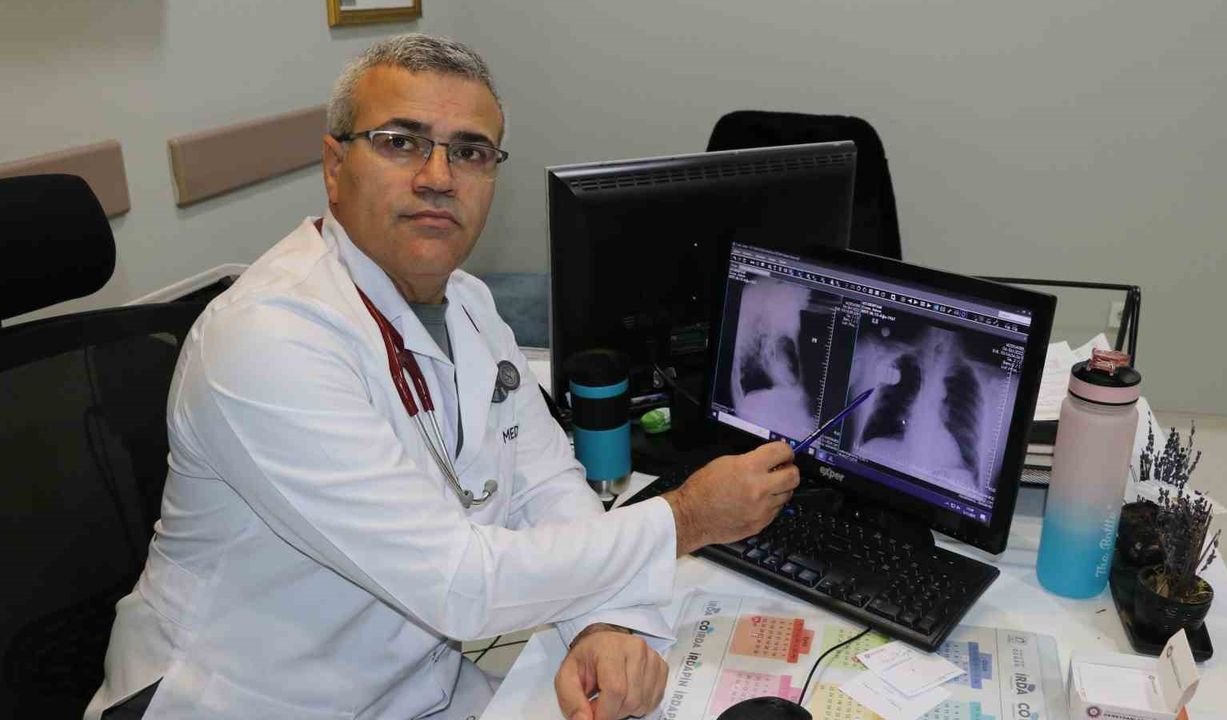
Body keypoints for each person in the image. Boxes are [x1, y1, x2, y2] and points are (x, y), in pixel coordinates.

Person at [85, 34, 799, 720]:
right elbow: (460, 584)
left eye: (470, 151)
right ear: (334, 167)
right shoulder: (268, 338)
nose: (438, 176)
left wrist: (599, 621)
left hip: (418, 688)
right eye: (400, 142)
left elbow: (545, 485)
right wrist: (686, 517)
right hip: (248, 703)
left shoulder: (468, 304)